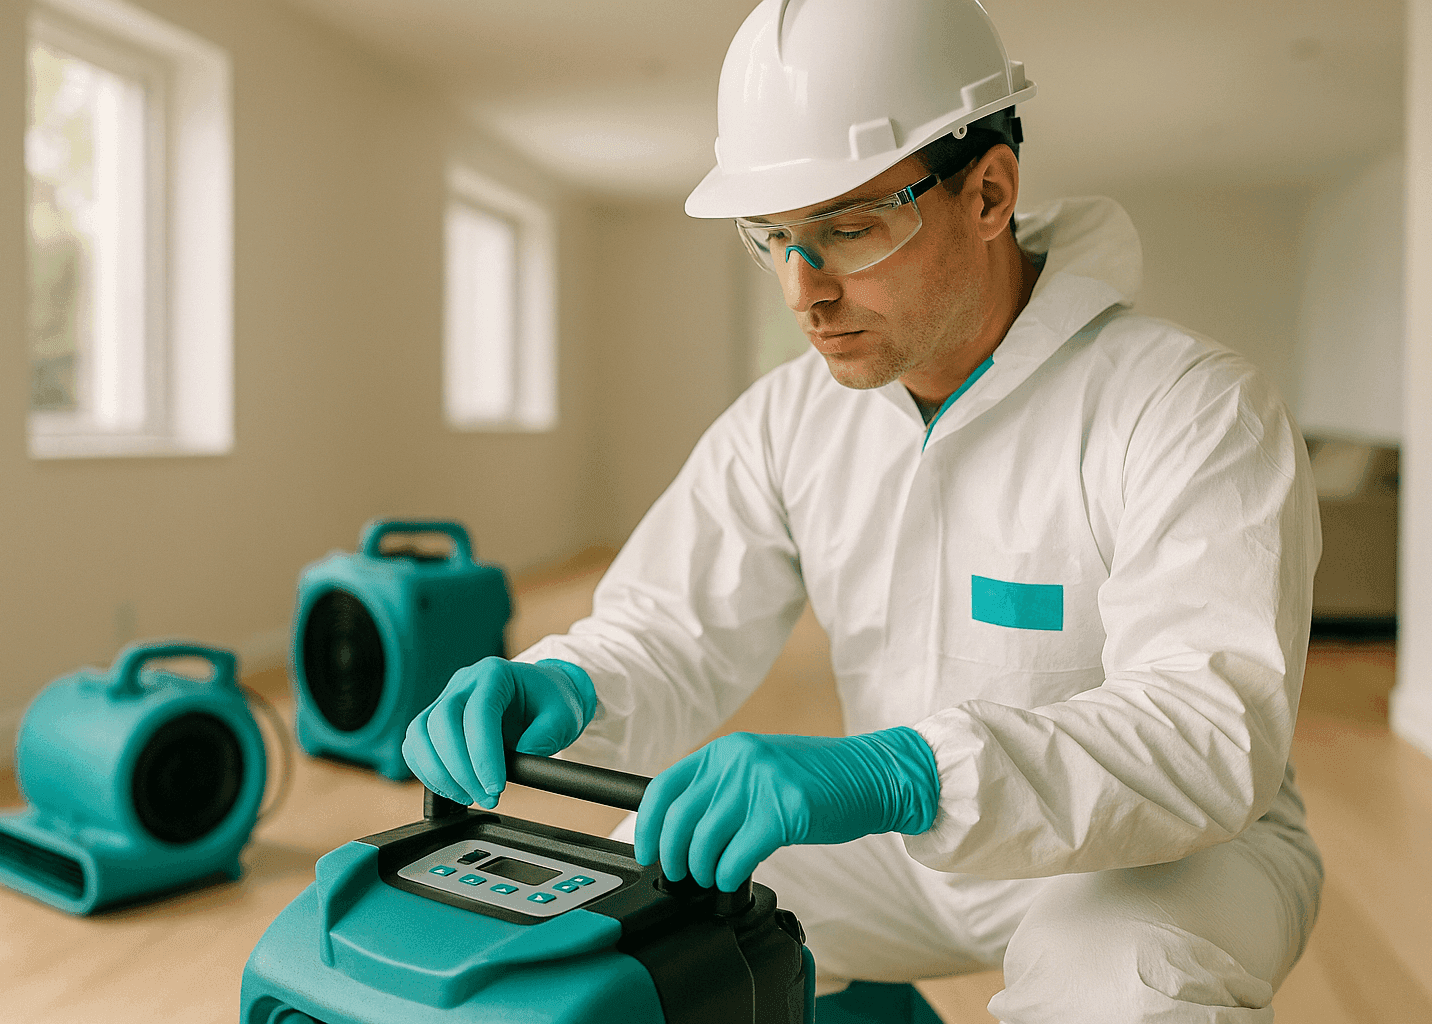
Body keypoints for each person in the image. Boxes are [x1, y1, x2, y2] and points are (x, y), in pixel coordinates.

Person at [403, 0, 1324, 1019]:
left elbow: (1206, 731)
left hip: (1158, 853)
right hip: (903, 847)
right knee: (629, 918)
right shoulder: (789, 417)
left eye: (849, 228)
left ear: (989, 192)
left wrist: (902, 771)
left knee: (1121, 989)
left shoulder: (1185, 406)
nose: (805, 291)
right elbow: (671, 621)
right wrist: (562, 685)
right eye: (775, 238)